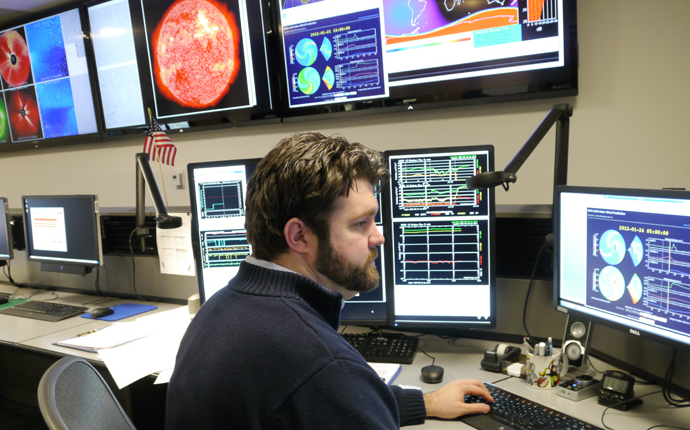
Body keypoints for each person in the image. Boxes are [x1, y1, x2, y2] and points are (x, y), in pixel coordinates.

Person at [165, 132, 493, 429]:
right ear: (299, 236)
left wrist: (426, 402)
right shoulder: (321, 364)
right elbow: (327, 390)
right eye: (360, 223)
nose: (378, 237)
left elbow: (335, 401)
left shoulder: (219, 307)